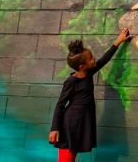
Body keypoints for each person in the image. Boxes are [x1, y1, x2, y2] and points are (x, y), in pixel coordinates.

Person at [49, 28, 132, 162]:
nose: (94, 59)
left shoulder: (88, 73)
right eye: (91, 58)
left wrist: (119, 41)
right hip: (71, 124)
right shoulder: (71, 82)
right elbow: (60, 105)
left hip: (83, 121)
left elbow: (104, 60)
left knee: (72, 157)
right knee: (66, 159)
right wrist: (54, 129)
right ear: (82, 66)